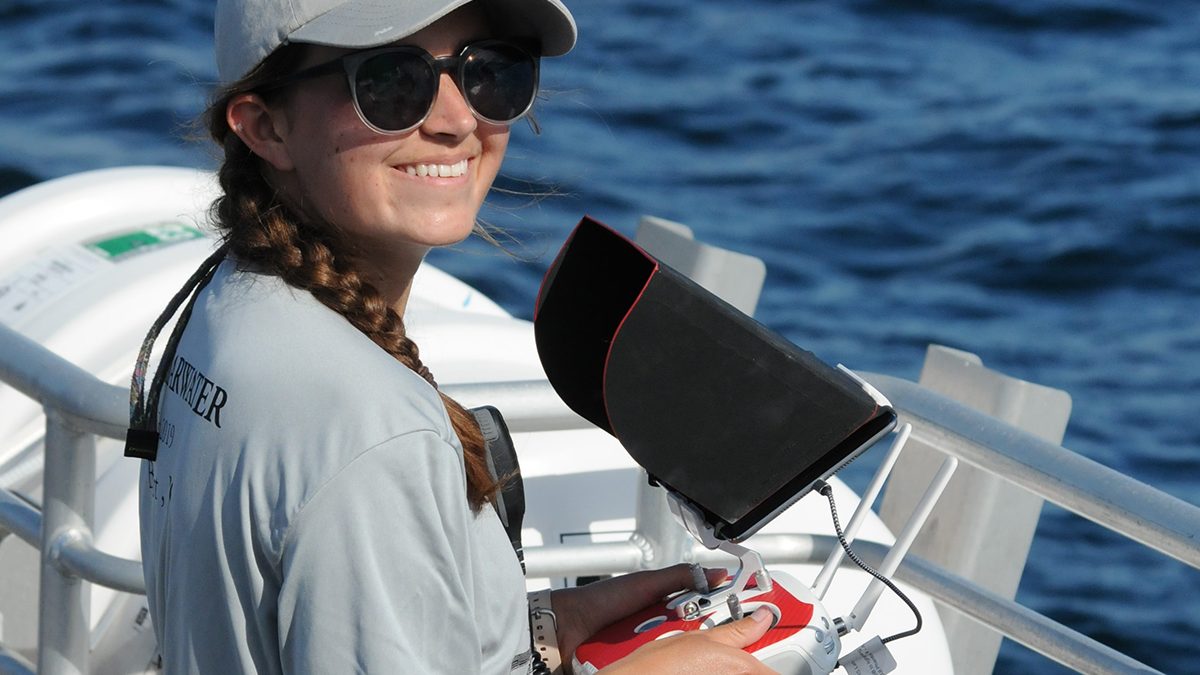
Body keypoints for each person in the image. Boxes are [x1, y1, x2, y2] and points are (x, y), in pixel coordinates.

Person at [134, 0, 777, 672]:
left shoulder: (227, 304)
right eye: (388, 81)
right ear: (266, 127)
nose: (457, 119)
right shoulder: (374, 428)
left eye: (489, 73)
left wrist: (532, 628)